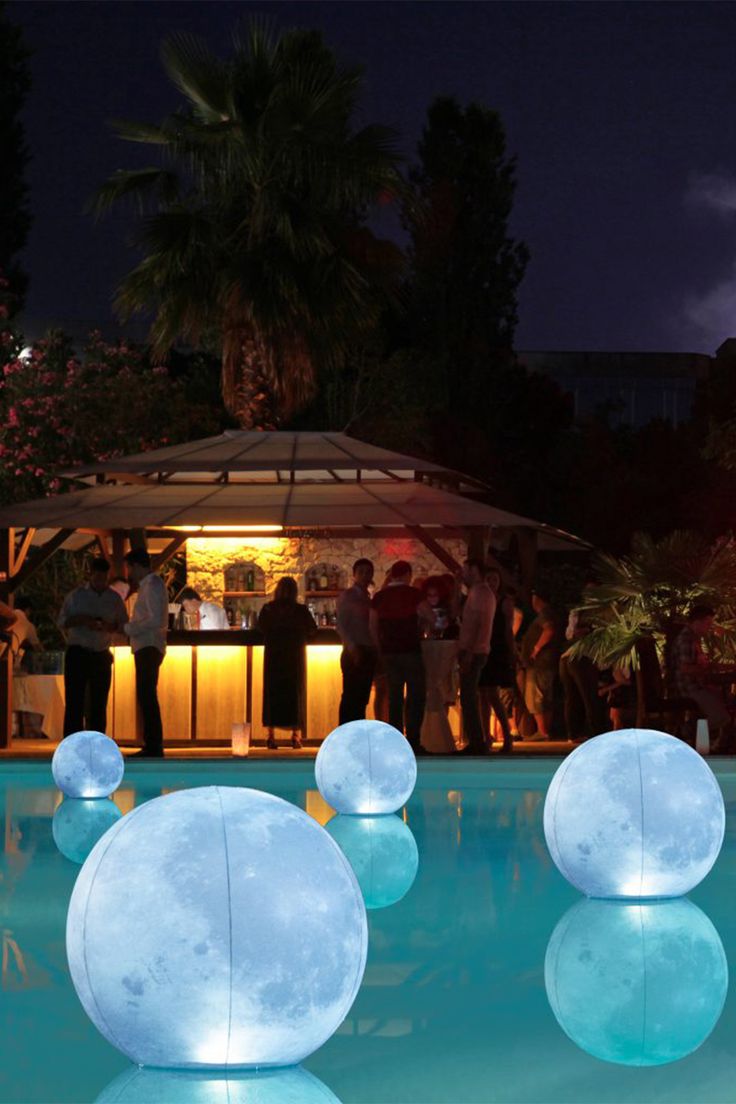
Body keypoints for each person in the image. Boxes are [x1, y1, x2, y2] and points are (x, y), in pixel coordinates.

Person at [58, 557, 129, 737]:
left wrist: (109, 627)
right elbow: (62, 621)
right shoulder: (76, 596)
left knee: (99, 703)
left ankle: (97, 742)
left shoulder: (114, 599)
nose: (100, 581)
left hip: (101, 653)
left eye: (103, 578)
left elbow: (123, 625)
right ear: (91, 575)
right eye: (97, 577)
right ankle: (72, 742)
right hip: (78, 651)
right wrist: (83, 620)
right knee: (74, 702)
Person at [369, 560, 433, 754]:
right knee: (415, 696)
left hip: (389, 652)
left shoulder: (379, 597)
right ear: (407, 574)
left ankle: (395, 741)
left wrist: (379, 649)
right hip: (411, 649)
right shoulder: (415, 594)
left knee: (394, 697)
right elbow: (430, 616)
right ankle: (413, 739)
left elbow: (372, 627)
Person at [258, 576, 318, 749]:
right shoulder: (300, 610)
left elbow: (259, 629)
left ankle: (270, 736)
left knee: (272, 695)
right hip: (294, 657)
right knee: (295, 695)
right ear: (295, 592)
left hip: (273, 657)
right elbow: (312, 629)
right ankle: (295, 737)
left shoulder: (268, 609)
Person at [123, 548, 169, 757]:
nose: (128, 573)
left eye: (129, 567)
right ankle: (152, 743)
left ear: (137, 566)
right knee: (147, 695)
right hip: (149, 645)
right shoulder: (152, 585)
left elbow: (153, 619)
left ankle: (153, 744)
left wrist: (128, 628)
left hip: (148, 645)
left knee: (147, 695)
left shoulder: (151, 585)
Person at [667, 604, 732, 749]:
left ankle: (706, 740)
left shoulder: (694, 639)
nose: (709, 628)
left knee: (727, 703)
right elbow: (686, 668)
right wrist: (707, 671)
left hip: (697, 686)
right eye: (708, 624)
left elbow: (701, 666)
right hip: (690, 688)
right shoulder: (686, 639)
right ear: (697, 622)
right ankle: (689, 733)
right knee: (722, 717)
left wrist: (725, 667)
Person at [457, 559, 496, 755]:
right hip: (475, 649)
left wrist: (469, 653)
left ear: (474, 570)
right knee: (469, 696)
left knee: (468, 697)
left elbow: (480, 624)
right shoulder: (479, 592)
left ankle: (477, 742)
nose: (462, 573)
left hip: (474, 650)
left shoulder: (480, 593)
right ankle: (476, 740)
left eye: (465, 570)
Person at [559, 585, 607, 742]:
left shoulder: (581, 612)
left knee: (574, 697)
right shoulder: (592, 611)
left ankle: (575, 733)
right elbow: (570, 634)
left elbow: (569, 634)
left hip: (569, 656)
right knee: (587, 697)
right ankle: (593, 733)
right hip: (580, 656)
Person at [336, 558, 377, 724]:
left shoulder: (367, 597)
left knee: (360, 698)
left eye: (368, 572)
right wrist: (353, 648)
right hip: (355, 651)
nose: (365, 575)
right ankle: (347, 735)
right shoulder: (349, 596)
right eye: (361, 572)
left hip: (366, 650)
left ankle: (355, 734)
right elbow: (341, 625)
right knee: (352, 698)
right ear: (354, 575)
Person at [478, 569, 514, 753]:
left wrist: (512, 650)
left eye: (495, 579)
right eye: (488, 579)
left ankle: (507, 736)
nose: (492, 582)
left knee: (492, 693)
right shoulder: (481, 599)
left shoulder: (504, 601)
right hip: (483, 645)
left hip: (497, 647)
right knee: (482, 695)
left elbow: (508, 628)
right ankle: (486, 737)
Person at [520, 588, 562, 741]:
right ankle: (545, 731)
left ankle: (542, 731)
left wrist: (536, 649)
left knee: (537, 696)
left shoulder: (545, 614)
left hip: (540, 663)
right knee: (544, 695)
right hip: (546, 662)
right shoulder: (548, 614)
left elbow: (548, 630)